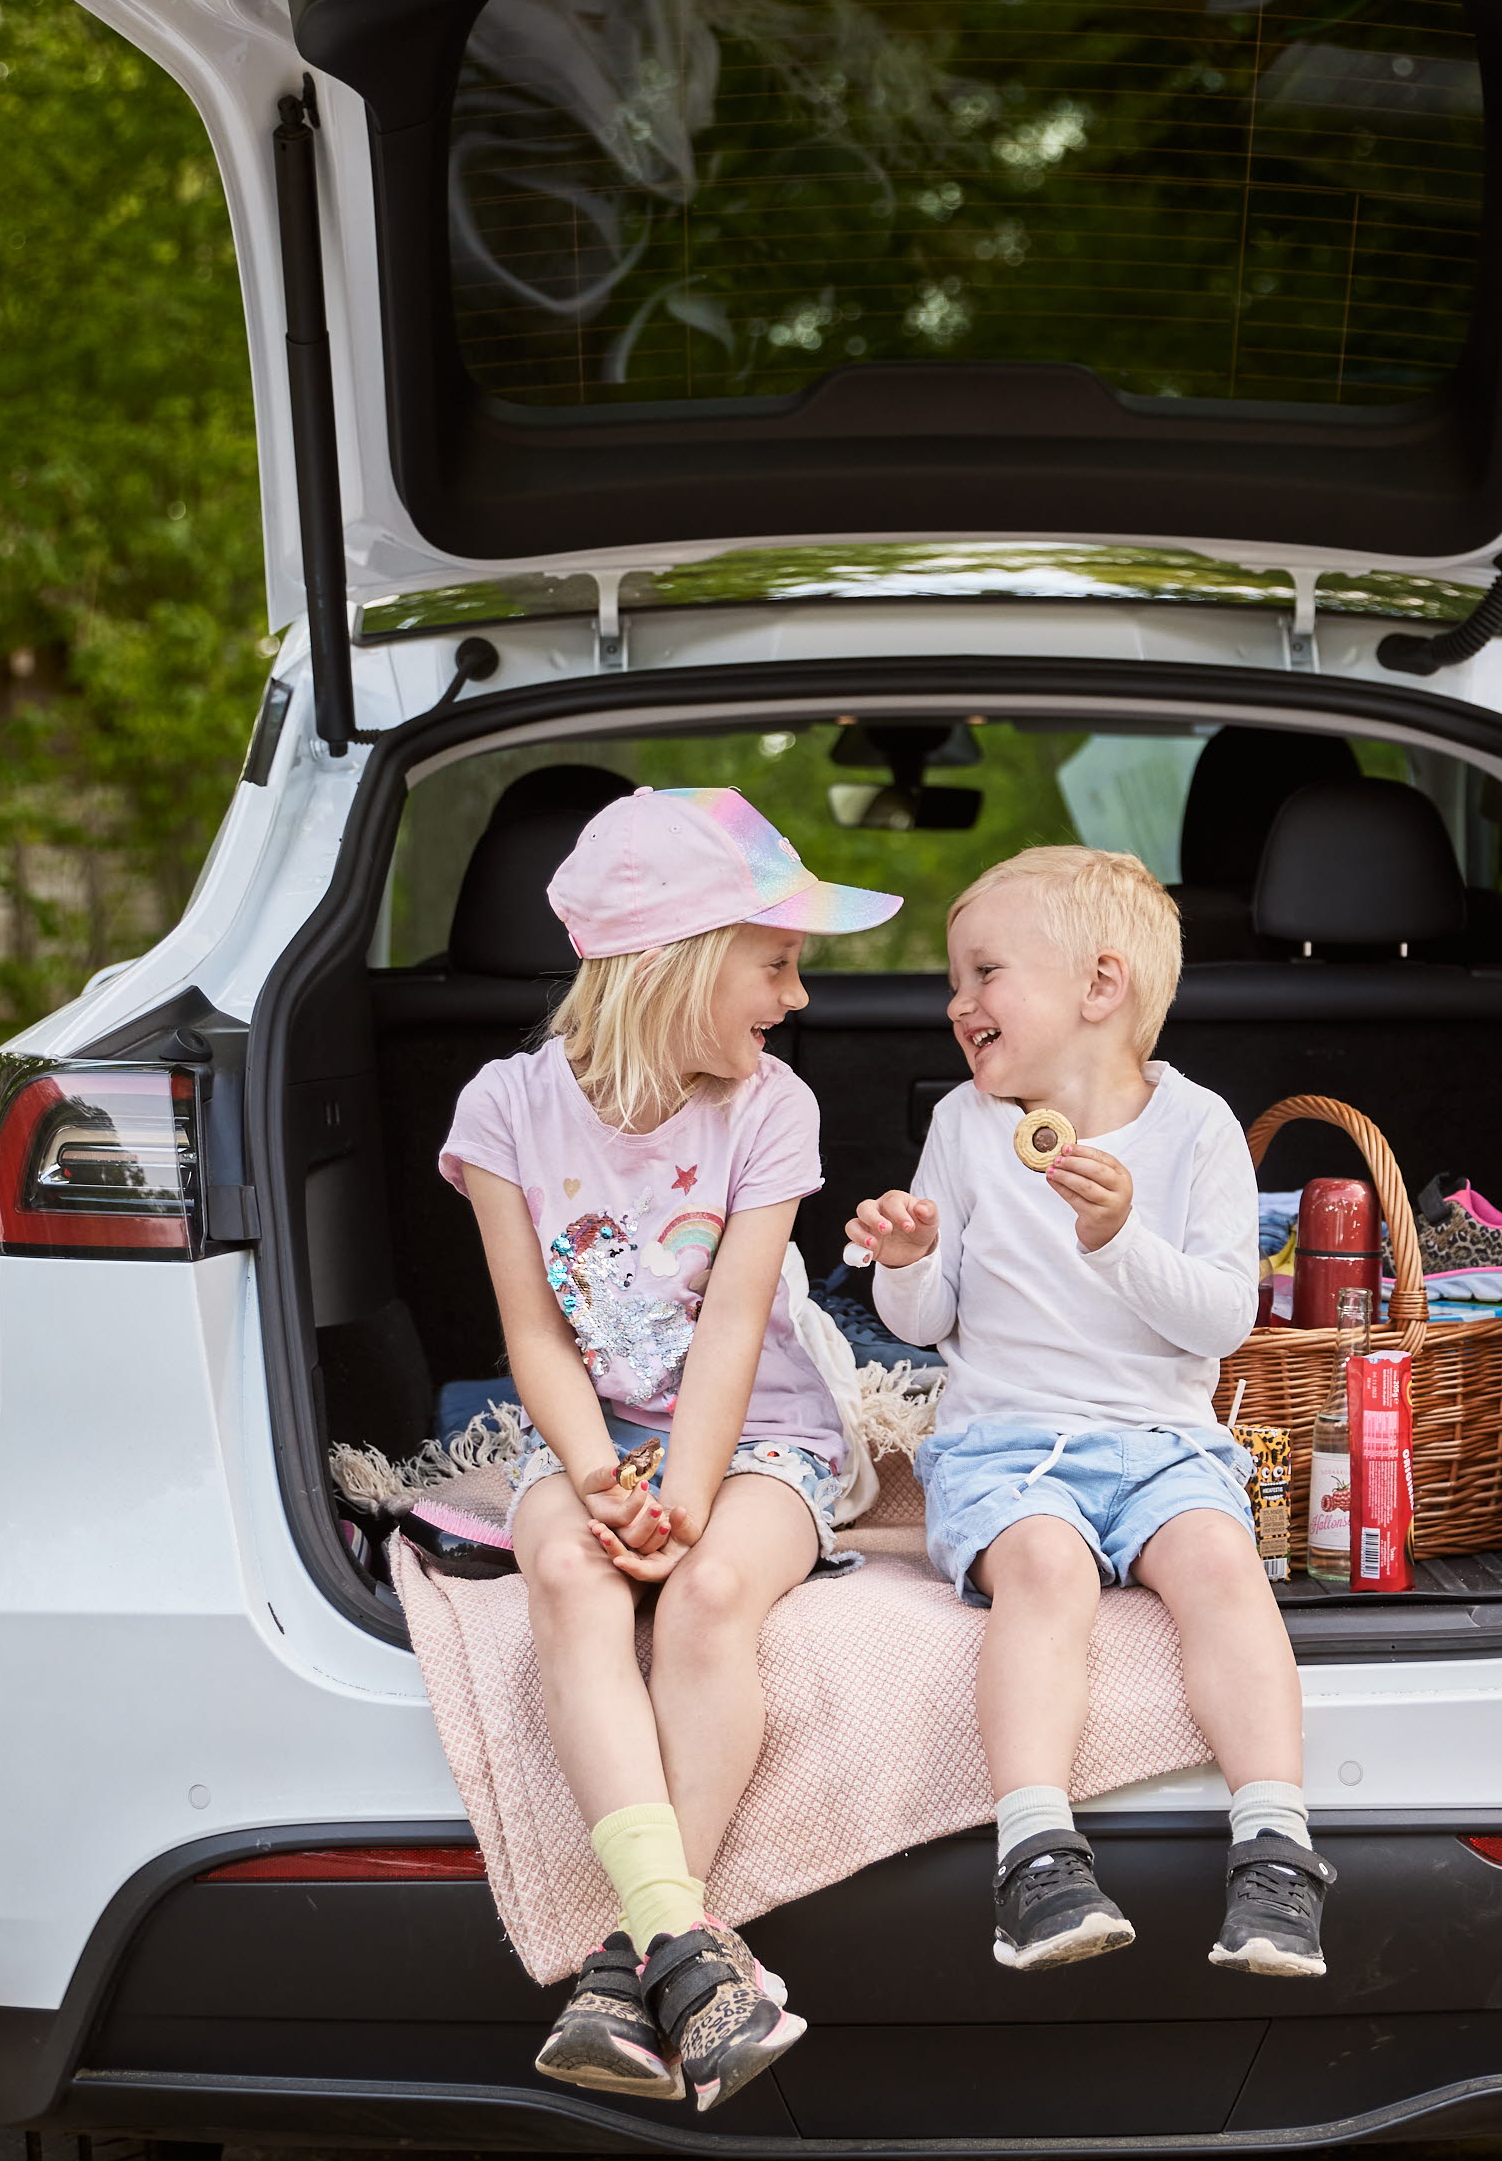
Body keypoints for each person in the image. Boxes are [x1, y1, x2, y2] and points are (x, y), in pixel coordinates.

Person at [442, 785, 899, 2110]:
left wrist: (686, 1501)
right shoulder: (507, 1109)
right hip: (587, 1431)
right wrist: (595, 1481)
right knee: (572, 1583)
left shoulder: (771, 1108)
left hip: (756, 1431)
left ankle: (622, 1965)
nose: (798, 995)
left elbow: (739, 1330)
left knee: (703, 1600)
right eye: (777, 959)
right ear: (678, 958)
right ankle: (686, 1951)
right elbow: (531, 1336)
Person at [847, 845, 1335, 1979]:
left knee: (1222, 1566)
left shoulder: (1197, 1128)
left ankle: (1275, 1848)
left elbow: (1217, 1319)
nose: (957, 1005)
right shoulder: (970, 1127)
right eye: (952, 985)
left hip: (1164, 1443)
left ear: (1097, 988)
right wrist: (908, 1261)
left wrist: (1121, 1239)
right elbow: (925, 1324)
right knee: (1046, 1572)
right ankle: (1034, 1856)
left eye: (982, 973)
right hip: (1007, 1442)